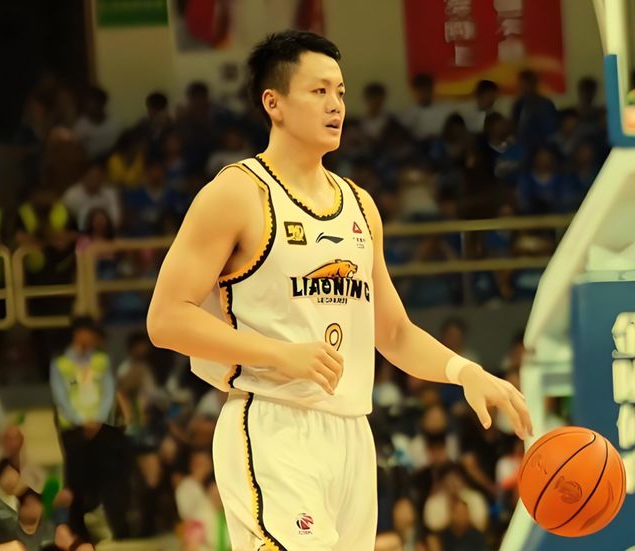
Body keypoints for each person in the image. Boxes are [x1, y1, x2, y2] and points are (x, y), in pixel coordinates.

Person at [147, 30, 532, 550]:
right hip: (273, 424)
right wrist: (279, 354)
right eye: (319, 91)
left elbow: (393, 332)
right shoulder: (237, 192)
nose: (336, 105)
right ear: (273, 103)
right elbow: (166, 318)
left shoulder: (360, 205)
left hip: (352, 434)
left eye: (341, 92)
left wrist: (465, 372)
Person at [49, 317, 129, 540]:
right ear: (78, 334)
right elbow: (60, 396)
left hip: (101, 427)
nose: (92, 338)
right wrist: (80, 420)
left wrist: (98, 419)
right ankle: (77, 531)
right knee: (76, 480)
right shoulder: (61, 363)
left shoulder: (101, 360)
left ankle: (117, 528)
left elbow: (108, 391)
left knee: (108, 478)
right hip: (73, 430)